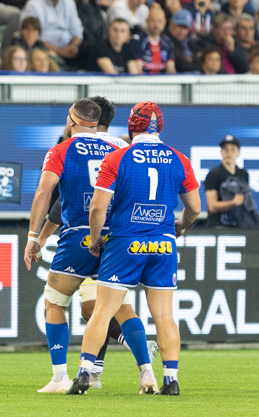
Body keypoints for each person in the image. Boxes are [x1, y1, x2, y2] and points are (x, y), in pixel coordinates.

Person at [24, 98, 157, 392]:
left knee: (54, 302)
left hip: (80, 235)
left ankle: (60, 378)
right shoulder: (119, 148)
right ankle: (147, 372)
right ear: (96, 123)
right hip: (119, 238)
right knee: (121, 307)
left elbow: (44, 192)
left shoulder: (61, 150)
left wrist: (34, 237)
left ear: (71, 121)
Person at [69, 103, 201, 396]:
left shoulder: (119, 157)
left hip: (126, 242)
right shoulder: (179, 159)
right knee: (164, 315)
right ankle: (171, 380)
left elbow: (98, 207)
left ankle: (84, 374)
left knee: (103, 311)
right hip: (163, 243)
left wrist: (94, 239)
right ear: (160, 127)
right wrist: (179, 227)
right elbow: (194, 208)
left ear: (131, 126)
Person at [204, 135, 257, 228]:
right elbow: (212, 206)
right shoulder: (213, 174)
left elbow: (246, 202)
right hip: (218, 227)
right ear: (221, 152)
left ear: (238, 152)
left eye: (233, 149)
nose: (229, 153)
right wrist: (233, 202)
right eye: (226, 149)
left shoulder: (243, 174)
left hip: (239, 226)